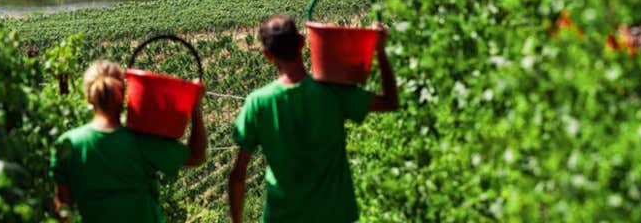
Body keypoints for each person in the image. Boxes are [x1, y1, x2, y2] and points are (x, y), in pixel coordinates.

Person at [227, 16, 399, 223]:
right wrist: (380, 51)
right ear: (302, 42)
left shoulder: (257, 103)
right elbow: (390, 102)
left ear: (267, 55)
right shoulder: (334, 92)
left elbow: (238, 175)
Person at [52, 61, 207, 223]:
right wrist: (195, 106)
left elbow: (63, 209)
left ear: (89, 97)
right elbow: (197, 157)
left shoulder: (69, 143)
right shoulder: (143, 142)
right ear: (125, 95)